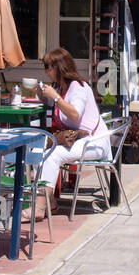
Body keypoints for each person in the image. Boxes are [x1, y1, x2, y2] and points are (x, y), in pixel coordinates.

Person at [37, 47, 110, 210]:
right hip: (76, 140)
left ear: (59, 67)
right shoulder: (60, 87)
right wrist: (44, 95)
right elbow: (54, 105)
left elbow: (74, 114)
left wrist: (54, 97)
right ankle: (50, 203)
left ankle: (40, 206)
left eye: (48, 67)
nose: (46, 71)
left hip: (94, 142)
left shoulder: (78, 87)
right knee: (37, 151)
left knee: (51, 155)